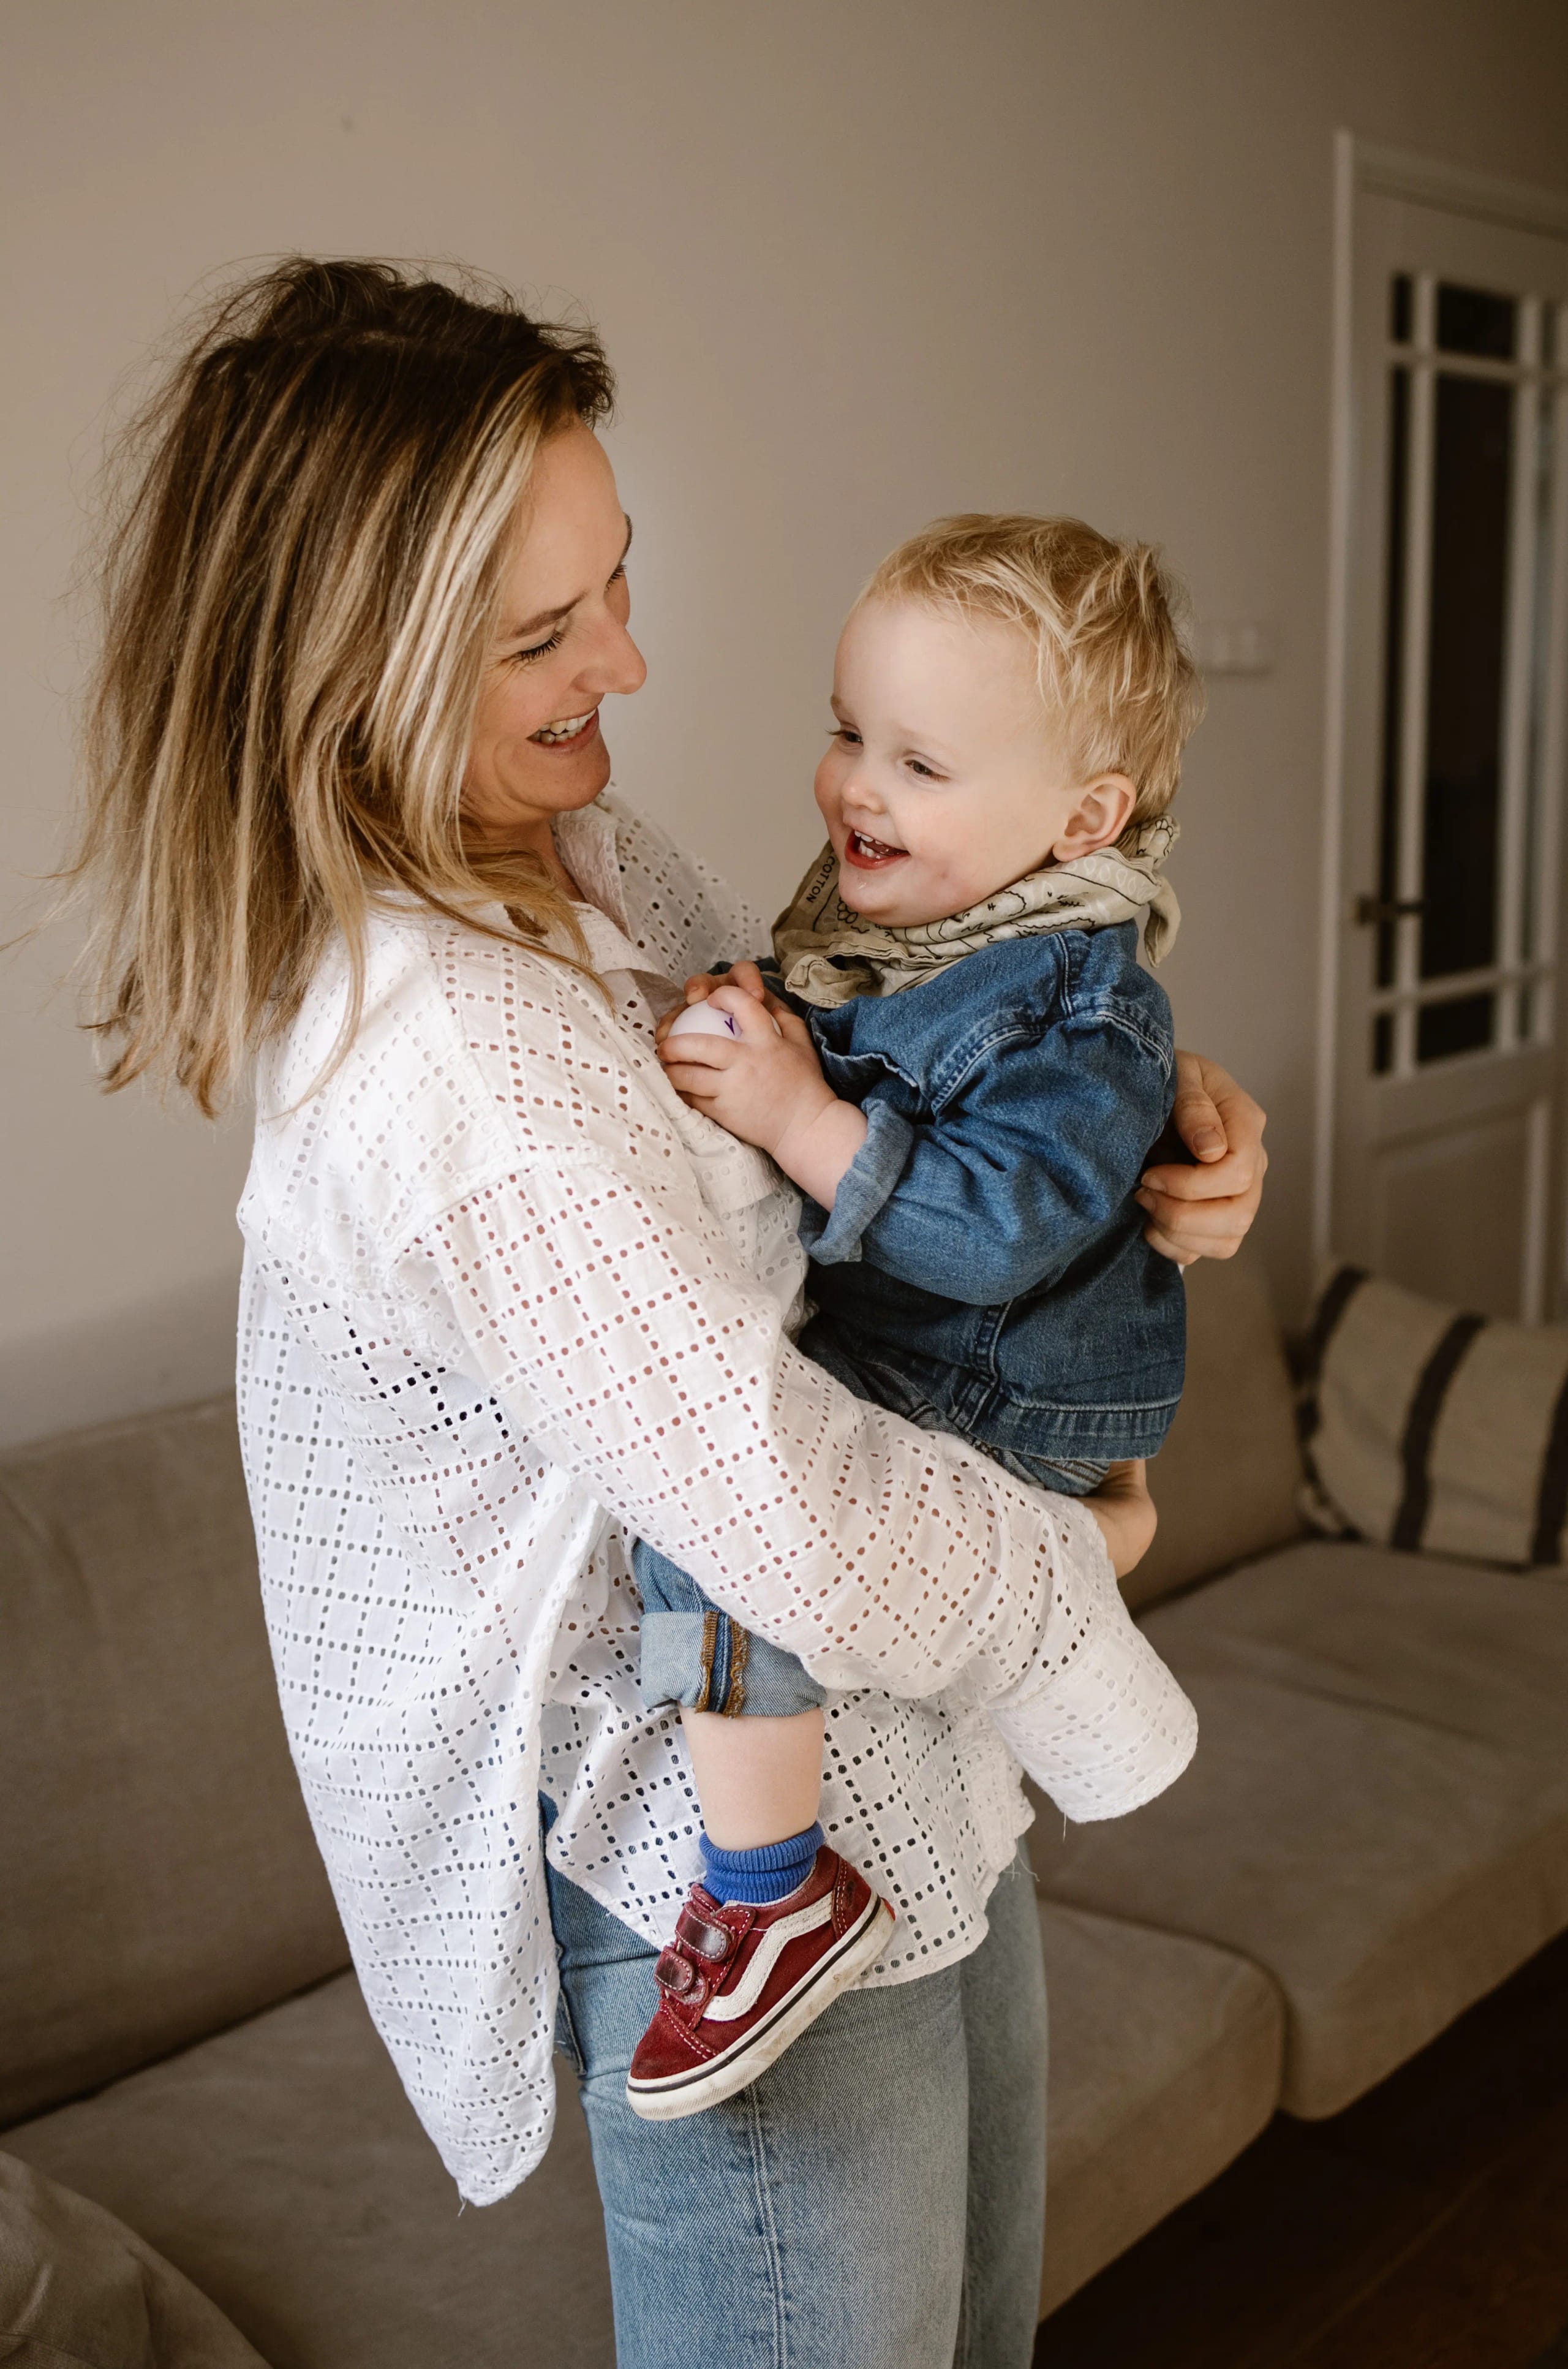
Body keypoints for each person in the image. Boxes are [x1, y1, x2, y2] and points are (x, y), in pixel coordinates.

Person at [70, 257, 1267, 2369]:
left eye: (614, 580)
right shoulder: (453, 1063)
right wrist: (1090, 1562)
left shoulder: (587, 853)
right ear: (354, 665)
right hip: (730, 1878)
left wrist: (1144, 1127)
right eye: (543, 635)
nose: (628, 658)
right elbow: (785, 1512)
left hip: (926, 1775)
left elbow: (873, 1063)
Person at [627, 512, 1201, 2122]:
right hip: (928, 1346)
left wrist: (797, 1110)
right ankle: (769, 1726)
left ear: (1083, 816)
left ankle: (766, 1880)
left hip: (1009, 1372)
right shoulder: (903, 916)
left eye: (921, 761)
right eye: (845, 729)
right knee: (675, 1524)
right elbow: (836, 1042)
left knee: (723, 1518)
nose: (858, 785)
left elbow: (989, 1227)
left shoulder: (1085, 1002)